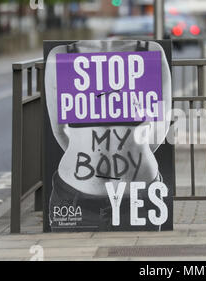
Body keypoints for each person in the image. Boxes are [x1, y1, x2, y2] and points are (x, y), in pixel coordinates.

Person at [44, 40, 171, 231]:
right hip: (77, 198)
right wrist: (134, 155)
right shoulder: (60, 57)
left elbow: (162, 126)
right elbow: (58, 130)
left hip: (136, 197)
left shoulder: (151, 52)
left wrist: (88, 158)